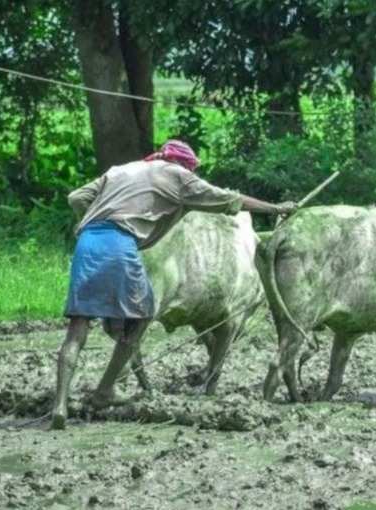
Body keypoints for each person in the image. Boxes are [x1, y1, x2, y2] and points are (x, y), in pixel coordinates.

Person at [51, 140, 295, 429]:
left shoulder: (121, 170)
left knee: (77, 328)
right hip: (121, 244)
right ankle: (105, 390)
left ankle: (60, 405)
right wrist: (276, 207)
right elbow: (232, 200)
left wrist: (94, 220)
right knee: (141, 317)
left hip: (87, 243)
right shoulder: (178, 176)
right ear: (184, 165)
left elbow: (76, 197)